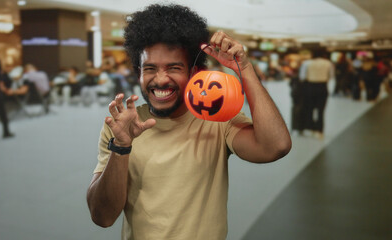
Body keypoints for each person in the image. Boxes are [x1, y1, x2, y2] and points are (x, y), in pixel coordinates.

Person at [86, 4, 291, 240]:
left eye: (173, 68)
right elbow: (102, 217)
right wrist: (121, 147)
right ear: (139, 73)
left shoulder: (217, 119)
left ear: (194, 73)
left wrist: (244, 68)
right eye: (150, 68)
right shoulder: (120, 127)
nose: (161, 79)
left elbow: (276, 147)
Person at [303, 49, 334, 140]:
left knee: (309, 109)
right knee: (321, 110)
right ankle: (319, 131)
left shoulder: (307, 63)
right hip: (322, 87)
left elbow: (303, 76)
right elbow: (331, 76)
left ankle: (310, 128)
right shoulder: (328, 63)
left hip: (310, 86)